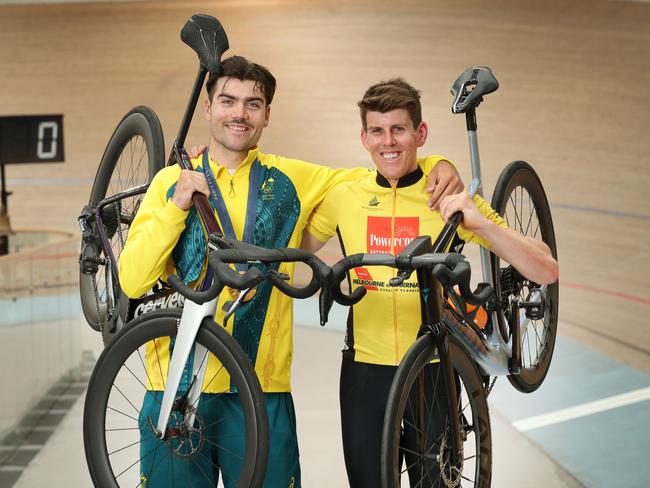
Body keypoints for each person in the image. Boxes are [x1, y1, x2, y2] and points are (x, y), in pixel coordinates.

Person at [119, 56, 463, 487]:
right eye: (227, 101)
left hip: (261, 390)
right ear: (208, 109)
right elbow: (132, 279)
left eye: (252, 103)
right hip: (173, 389)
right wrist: (176, 206)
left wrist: (438, 165)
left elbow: (385, 168)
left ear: (266, 115)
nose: (239, 113)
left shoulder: (292, 178)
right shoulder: (171, 180)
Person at [301, 78, 559, 488]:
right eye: (378, 131)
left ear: (420, 133)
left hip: (434, 369)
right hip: (365, 370)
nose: (389, 142)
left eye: (399, 129)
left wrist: (479, 225)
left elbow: (545, 269)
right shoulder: (343, 194)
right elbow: (292, 247)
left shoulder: (446, 196)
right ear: (364, 137)